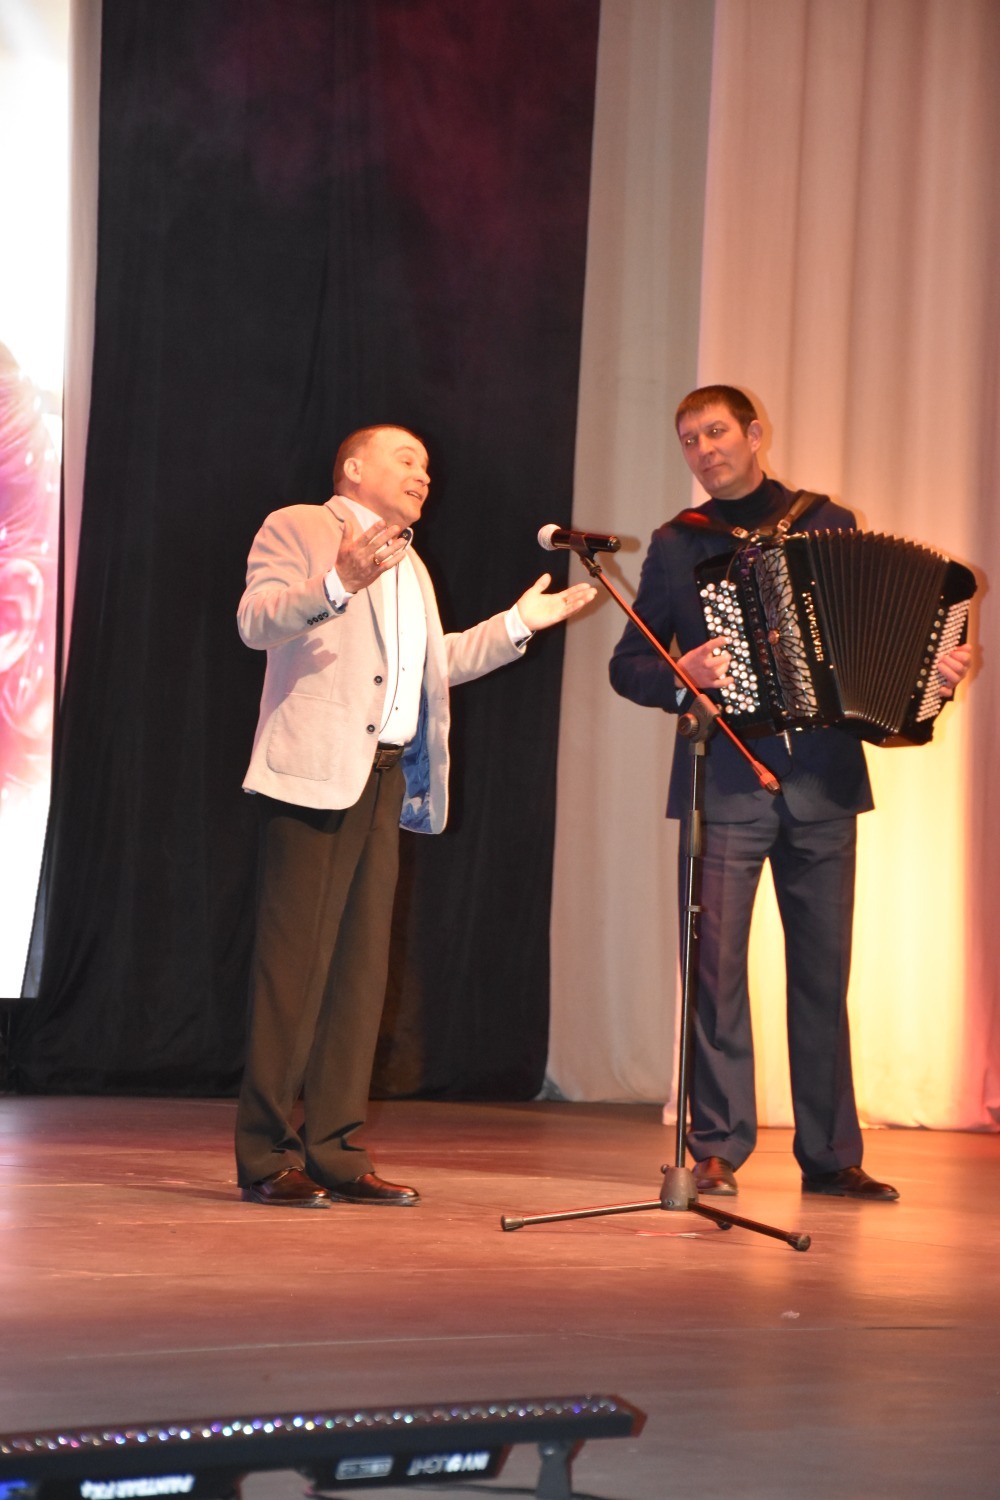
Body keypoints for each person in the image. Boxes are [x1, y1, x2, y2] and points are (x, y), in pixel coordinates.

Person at [609, 385, 971, 1202]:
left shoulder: (827, 523)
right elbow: (628, 664)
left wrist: (936, 674)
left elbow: (885, 642)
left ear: (754, 434)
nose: (704, 450)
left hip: (824, 785)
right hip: (726, 783)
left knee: (821, 976)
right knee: (714, 975)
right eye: (689, 439)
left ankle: (832, 1155)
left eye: (716, 432)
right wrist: (682, 677)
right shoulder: (677, 543)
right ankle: (716, 1150)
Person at [236, 424, 596, 1207]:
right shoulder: (300, 527)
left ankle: (335, 1151)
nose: (424, 475)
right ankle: (265, 1156)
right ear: (352, 466)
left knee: (359, 975)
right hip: (314, 776)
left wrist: (517, 626)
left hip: (386, 778)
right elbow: (256, 621)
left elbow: (434, 669)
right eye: (407, 460)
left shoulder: (410, 562)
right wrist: (337, 582)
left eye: (428, 466)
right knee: (292, 973)